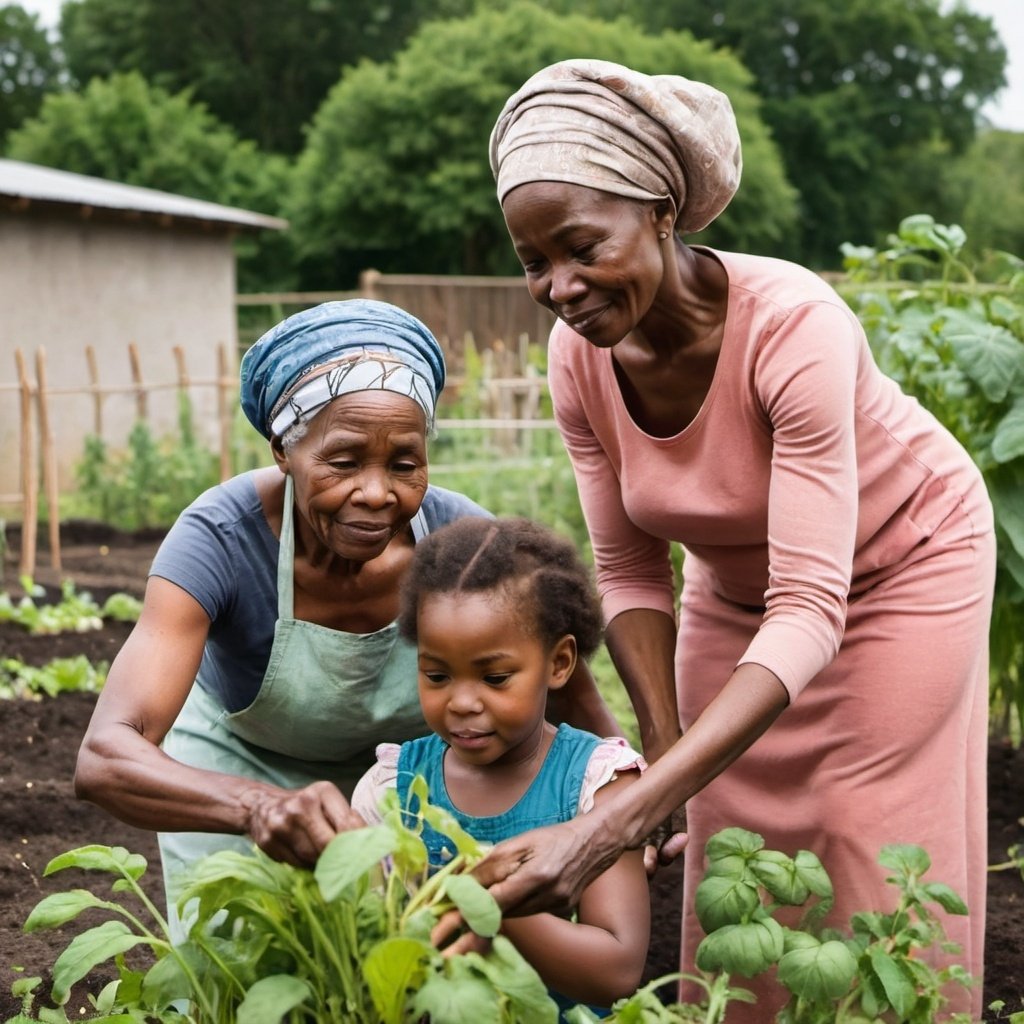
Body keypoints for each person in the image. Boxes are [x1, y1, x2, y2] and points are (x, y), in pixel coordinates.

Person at [476, 59, 996, 1021]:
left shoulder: (792, 325)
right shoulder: (578, 359)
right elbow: (631, 569)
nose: (560, 288)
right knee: (726, 836)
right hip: (735, 584)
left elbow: (812, 606)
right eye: (534, 262)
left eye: (583, 247)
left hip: (904, 563)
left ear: (662, 215)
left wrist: (614, 819)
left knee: (859, 828)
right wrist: (663, 759)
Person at [73, 299, 619, 935]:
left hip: (399, 787)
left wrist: (626, 804)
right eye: (343, 461)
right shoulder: (219, 540)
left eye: (404, 464)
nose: (376, 492)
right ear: (284, 450)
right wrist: (254, 805)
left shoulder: (460, 543)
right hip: (241, 771)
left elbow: (570, 692)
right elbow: (107, 756)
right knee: (235, 972)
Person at [351, 515, 649, 1018]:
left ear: (558, 664)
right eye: (437, 675)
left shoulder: (598, 783)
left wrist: (488, 900)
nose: (463, 702)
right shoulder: (392, 786)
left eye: (494, 677)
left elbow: (615, 972)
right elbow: (366, 952)